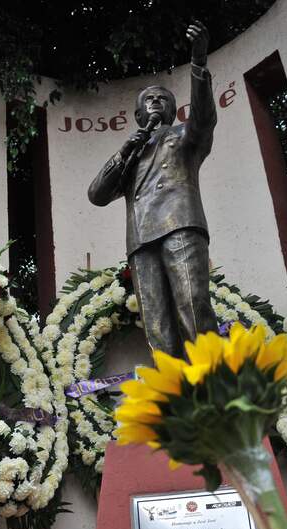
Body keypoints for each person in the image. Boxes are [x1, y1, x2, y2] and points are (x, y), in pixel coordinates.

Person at [87, 20, 218, 358]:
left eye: (163, 99)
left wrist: (199, 64)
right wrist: (127, 149)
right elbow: (97, 195)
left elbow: (204, 119)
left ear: (173, 111)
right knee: (157, 325)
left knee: (193, 306)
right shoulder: (131, 154)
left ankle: (212, 389)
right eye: (149, 100)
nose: (156, 101)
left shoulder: (184, 137)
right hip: (141, 240)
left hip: (180, 226)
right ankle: (173, 398)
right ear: (137, 113)